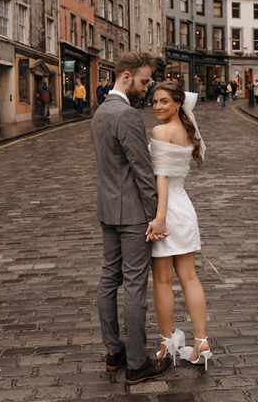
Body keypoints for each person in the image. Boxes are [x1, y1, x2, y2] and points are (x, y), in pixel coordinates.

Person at [90, 52, 173, 385]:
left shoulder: (99, 113)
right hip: (133, 215)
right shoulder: (126, 116)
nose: (146, 87)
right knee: (135, 286)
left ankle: (115, 352)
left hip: (107, 210)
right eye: (142, 81)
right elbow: (143, 172)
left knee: (109, 278)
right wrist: (157, 216)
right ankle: (138, 364)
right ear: (126, 77)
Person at [148, 81, 213, 370]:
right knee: (189, 277)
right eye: (154, 101)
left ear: (177, 103)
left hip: (167, 209)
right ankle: (200, 341)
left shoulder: (161, 131)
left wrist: (160, 218)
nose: (158, 107)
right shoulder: (188, 131)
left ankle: (166, 344)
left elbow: (161, 177)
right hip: (184, 207)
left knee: (162, 280)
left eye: (164, 101)